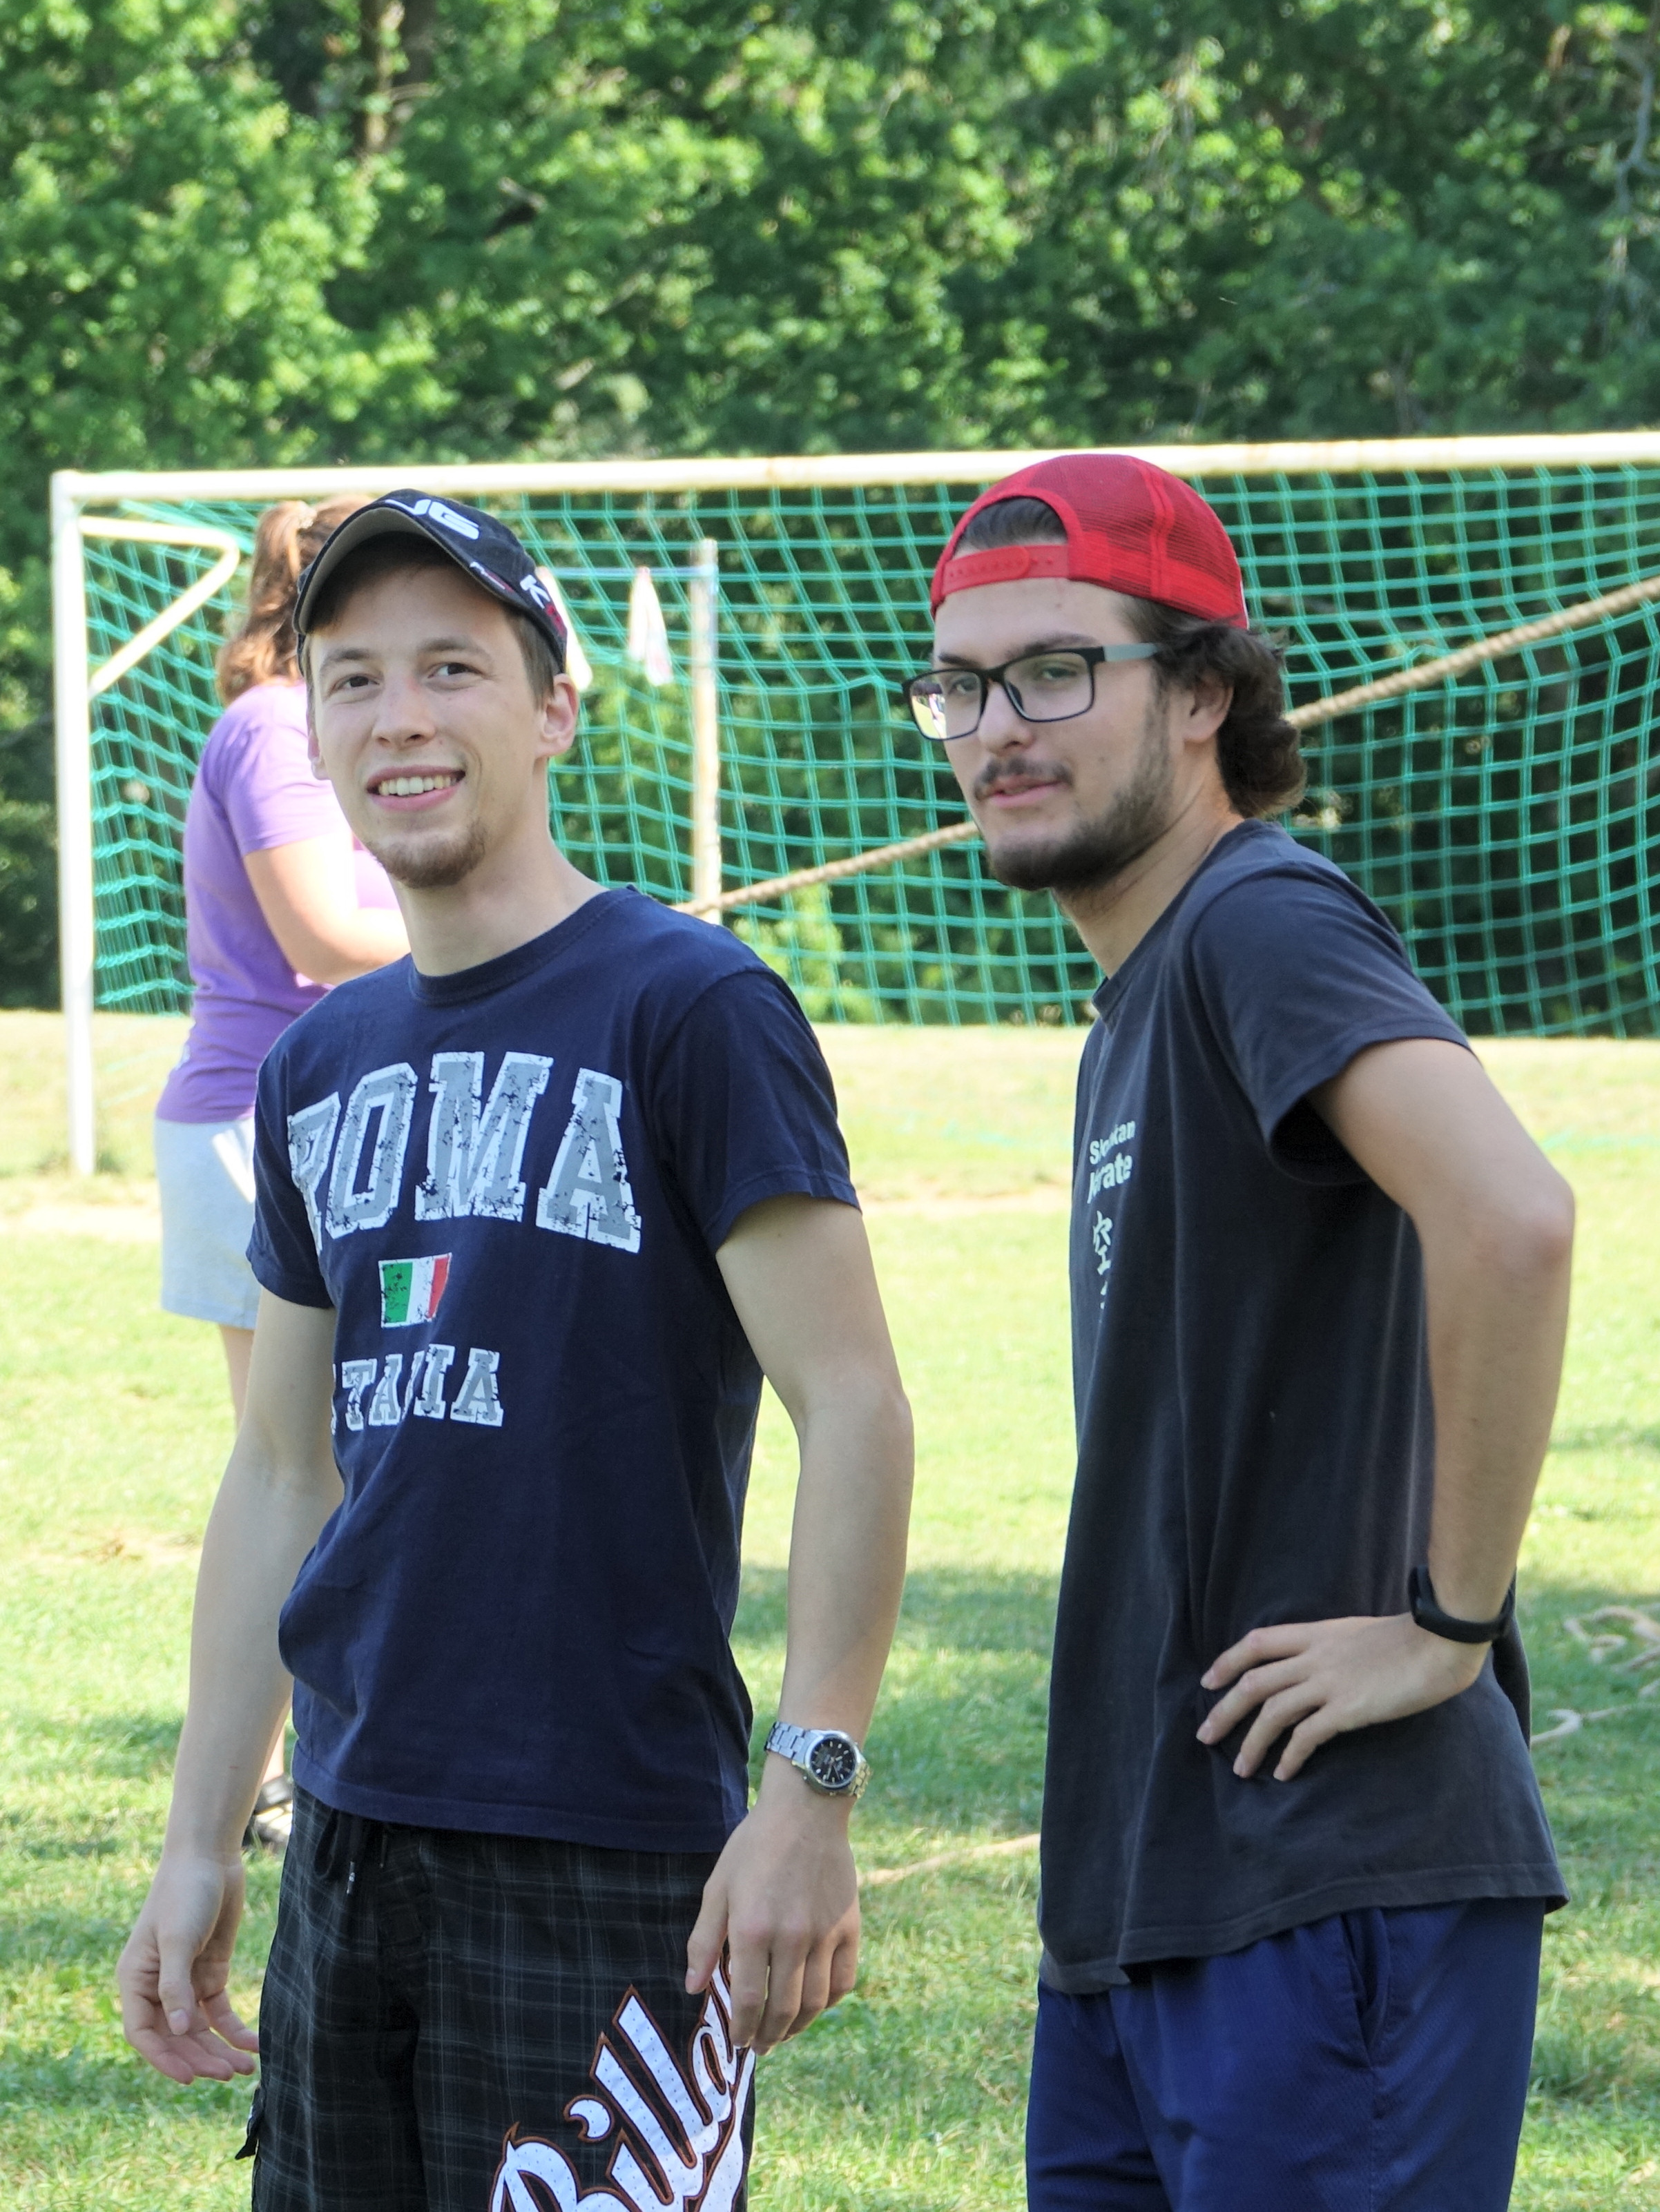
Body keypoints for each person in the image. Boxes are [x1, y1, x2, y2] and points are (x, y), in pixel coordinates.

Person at [118, 490, 914, 2211]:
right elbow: (281, 1469)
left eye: (451, 669)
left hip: (610, 1844)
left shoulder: (688, 1006)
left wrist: (811, 1791)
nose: (397, 717)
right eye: (352, 679)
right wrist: (200, 1837)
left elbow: (851, 1404)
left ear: (552, 708)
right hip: (349, 1834)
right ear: (311, 730)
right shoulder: (319, 1061)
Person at [908, 454, 1572, 2211]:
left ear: (1202, 693)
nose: (997, 728)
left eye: (1056, 672)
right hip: (1151, 1896)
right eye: (960, 688)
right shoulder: (1136, 998)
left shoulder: (1254, 922)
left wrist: (1444, 1627)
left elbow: (1511, 1220)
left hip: (1325, 1881)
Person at [154, 497, 409, 1856]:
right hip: (259, 1129)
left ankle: (301, 1760)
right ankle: (270, 1775)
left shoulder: (298, 721)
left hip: (314, 1122)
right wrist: (535, 930)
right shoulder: (271, 727)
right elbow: (319, 934)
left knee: (322, 1458)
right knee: (294, 1464)